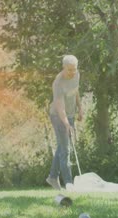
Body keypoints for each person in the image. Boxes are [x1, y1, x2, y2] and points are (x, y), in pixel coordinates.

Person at [46, 55, 83, 190]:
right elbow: (59, 106)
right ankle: (69, 183)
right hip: (58, 116)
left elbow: (76, 91)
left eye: (74, 69)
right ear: (63, 67)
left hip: (71, 114)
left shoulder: (76, 75)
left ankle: (52, 177)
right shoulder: (58, 83)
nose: (72, 72)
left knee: (62, 147)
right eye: (69, 70)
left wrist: (80, 108)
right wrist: (66, 123)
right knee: (66, 150)